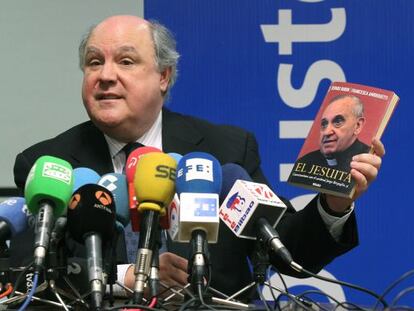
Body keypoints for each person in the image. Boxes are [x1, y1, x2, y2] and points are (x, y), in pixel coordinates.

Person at [12, 15, 384, 299]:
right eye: (94, 62)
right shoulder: (47, 164)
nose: (105, 75)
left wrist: (334, 205)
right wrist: (128, 277)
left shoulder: (226, 150)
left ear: (163, 76)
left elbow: (288, 252)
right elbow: (29, 276)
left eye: (125, 62)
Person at [297, 94, 370, 172]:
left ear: (357, 126)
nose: (326, 132)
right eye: (324, 124)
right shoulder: (304, 163)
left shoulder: (369, 159)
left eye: (338, 122)